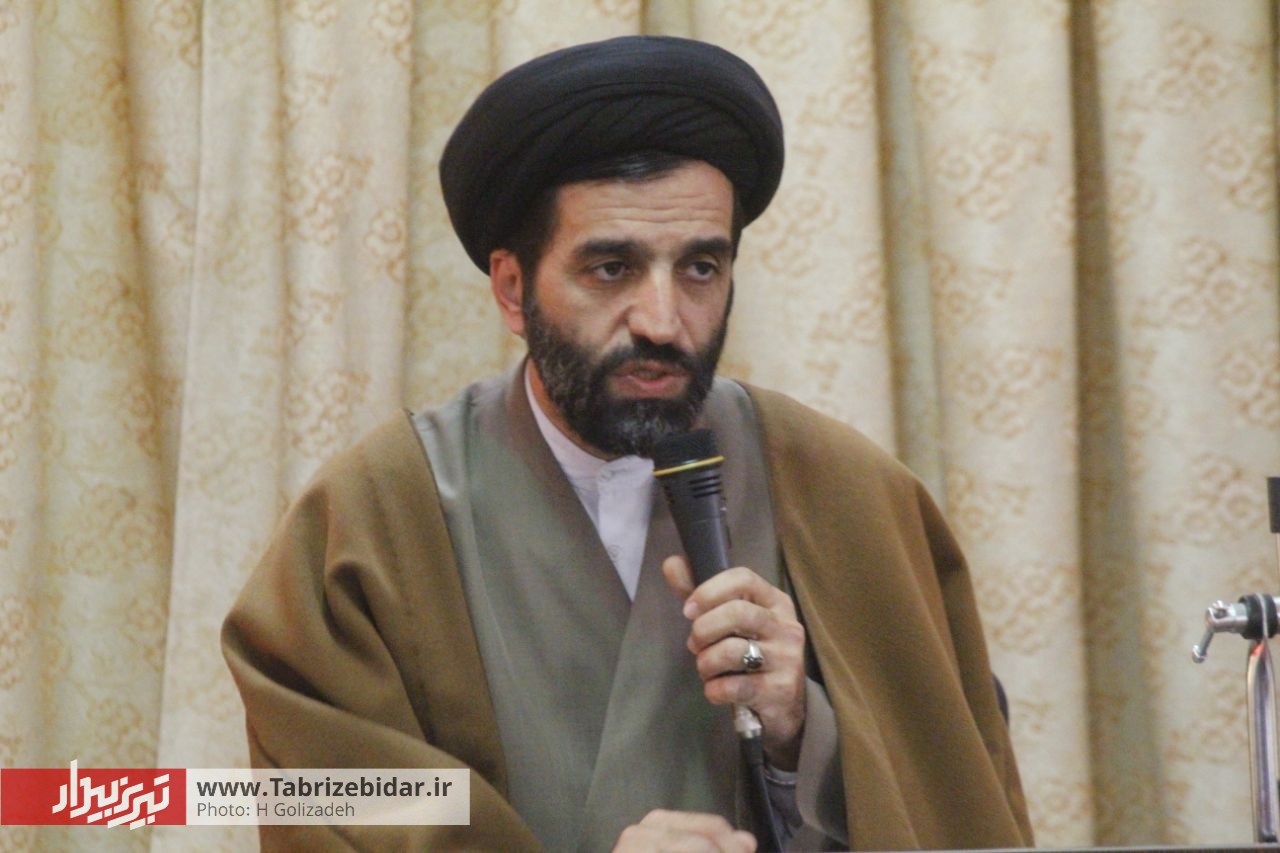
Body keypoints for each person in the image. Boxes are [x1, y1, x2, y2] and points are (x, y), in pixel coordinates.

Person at [222, 35, 1033, 852]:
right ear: (513, 287)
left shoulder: (851, 495)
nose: (663, 320)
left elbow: (959, 799)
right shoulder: (378, 518)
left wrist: (803, 732)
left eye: (700, 268)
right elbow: (337, 800)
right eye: (612, 268)